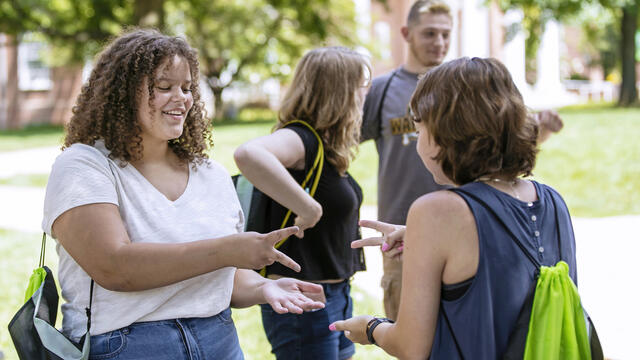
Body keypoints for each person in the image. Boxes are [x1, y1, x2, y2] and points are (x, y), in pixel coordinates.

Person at [42, 29, 325, 359]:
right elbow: (114, 268)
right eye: (164, 87)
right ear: (122, 93)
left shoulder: (211, 175)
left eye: (188, 88)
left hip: (218, 339)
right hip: (125, 345)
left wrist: (264, 287)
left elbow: (222, 276)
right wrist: (229, 251)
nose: (182, 98)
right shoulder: (84, 166)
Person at [331, 57, 580, 358]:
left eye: (419, 129)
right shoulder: (552, 200)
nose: (419, 140)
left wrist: (370, 328)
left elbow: (412, 346)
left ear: (445, 133)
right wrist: (425, 241)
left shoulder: (435, 211)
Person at [360, 0, 563, 321]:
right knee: (414, 322)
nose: (439, 42)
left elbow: (495, 149)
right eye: (429, 34)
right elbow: (342, 142)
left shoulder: (464, 87)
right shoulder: (384, 90)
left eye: (445, 34)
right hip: (403, 233)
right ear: (406, 33)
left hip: (472, 224)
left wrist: (370, 330)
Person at [233, 47, 369, 360]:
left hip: (335, 295)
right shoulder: (301, 138)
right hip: (302, 301)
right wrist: (310, 208)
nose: (365, 95)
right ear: (338, 91)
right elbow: (247, 154)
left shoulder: (325, 148)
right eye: (360, 85)